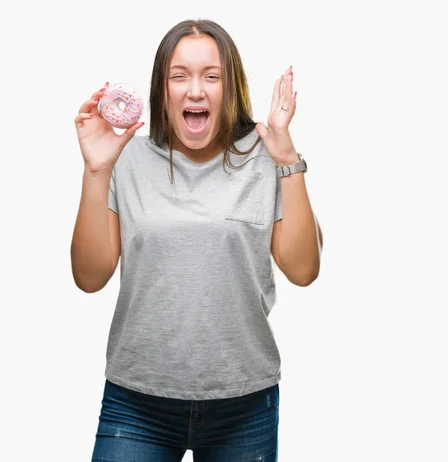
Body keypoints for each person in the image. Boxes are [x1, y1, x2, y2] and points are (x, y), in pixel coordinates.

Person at [71, 18, 323, 462]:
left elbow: (303, 270)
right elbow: (90, 277)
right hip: (135, 402)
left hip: (245, 404)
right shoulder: (125, 159)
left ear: (231, 87)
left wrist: (287, 158)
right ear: (161, 88)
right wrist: (96, 172)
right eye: (179, 75)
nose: (195, 90)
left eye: (212, 76)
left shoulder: (266, 158)